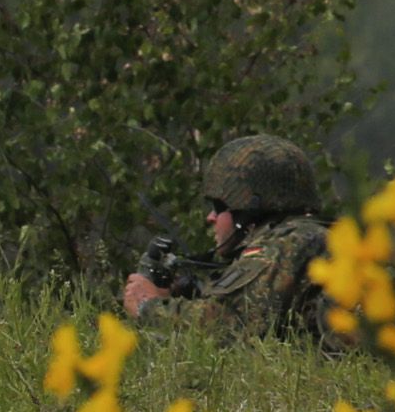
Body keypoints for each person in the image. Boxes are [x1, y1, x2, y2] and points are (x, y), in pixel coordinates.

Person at [127, 134, 332, 341]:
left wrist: (148, 305)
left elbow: (229, 324)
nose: (210, 217)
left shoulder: (286, 243)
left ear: (247, 210)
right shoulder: (308, 238)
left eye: (219, 208)